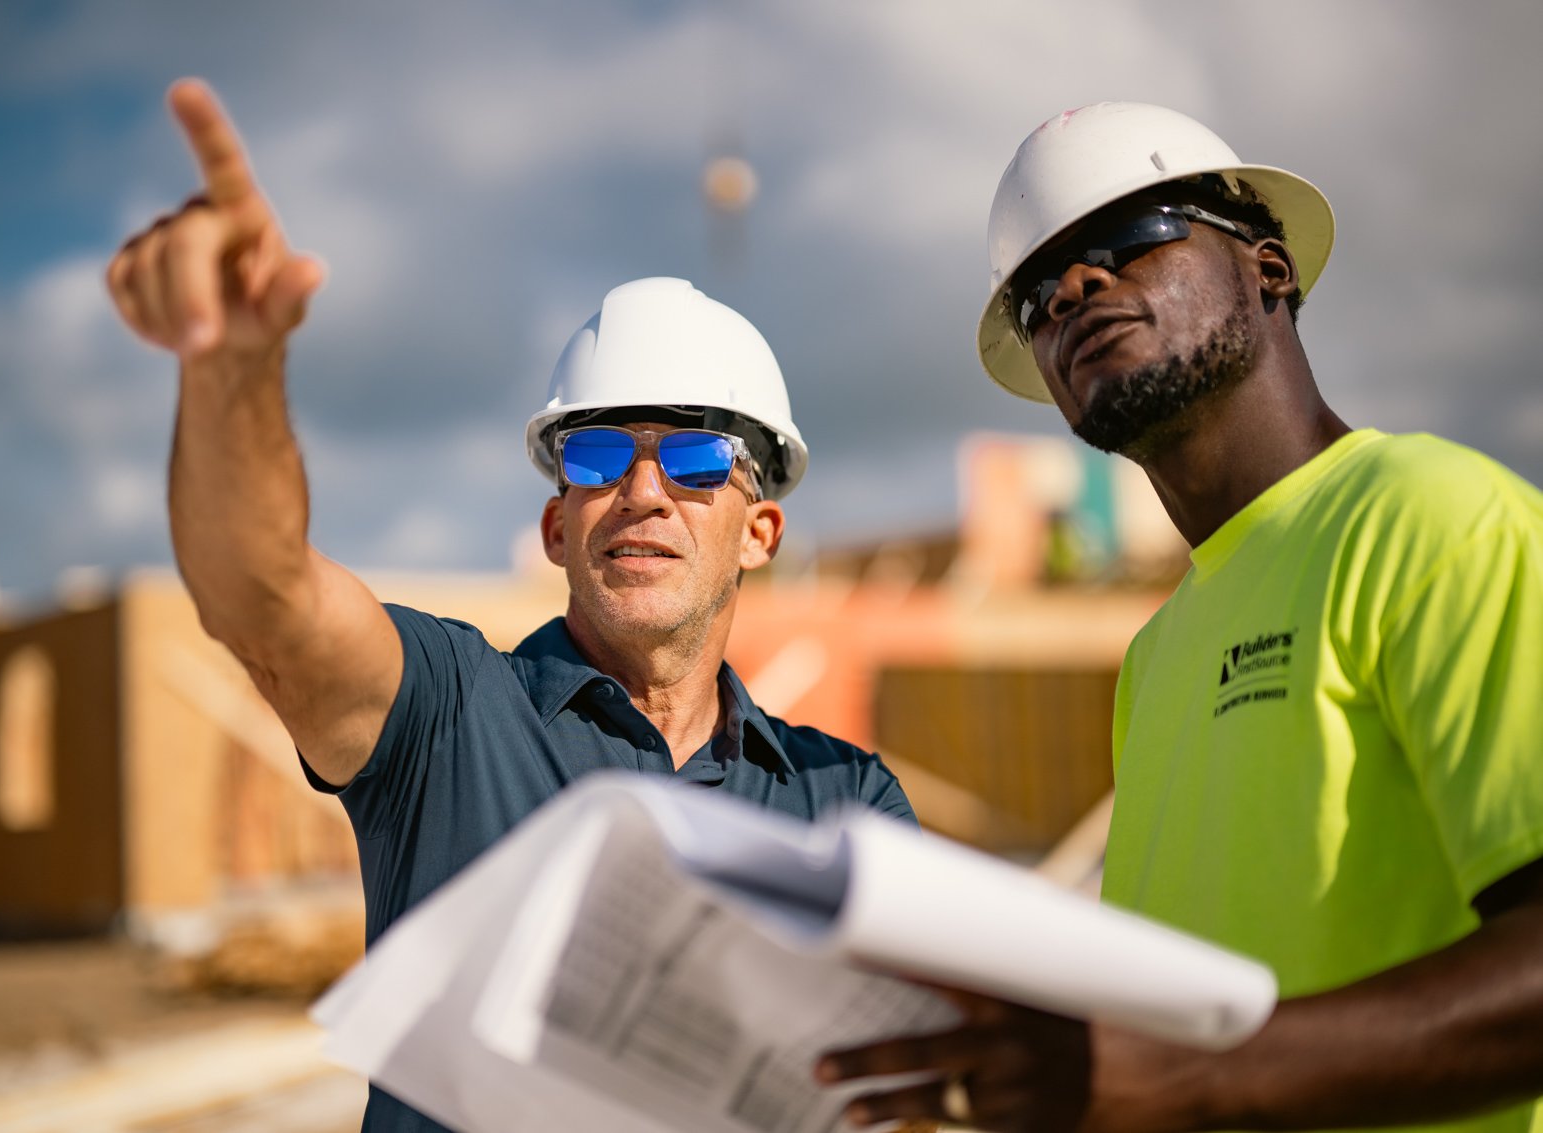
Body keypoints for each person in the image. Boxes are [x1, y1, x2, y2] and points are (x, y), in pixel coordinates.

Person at [104, 79, 914, 1133]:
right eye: (595, 453)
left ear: (759, 531)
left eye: (698, 454)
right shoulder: (446, 716)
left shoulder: (839, 804)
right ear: (555, 528)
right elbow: (263, 595)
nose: (641, 489)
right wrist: (229, 369)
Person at [816, 102, 1543, 1131]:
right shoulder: (1155, 655)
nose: (1073, 288)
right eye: (1035, 293)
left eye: (1130, 238)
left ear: (1267, 268)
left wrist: (1190, 1080)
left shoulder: (1431, 520)